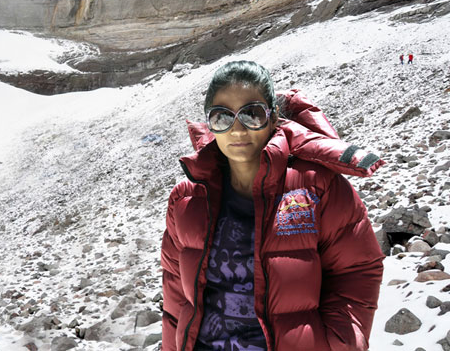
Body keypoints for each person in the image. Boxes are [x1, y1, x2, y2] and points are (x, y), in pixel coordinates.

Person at [161, 60, 384, 351]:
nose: (237, 130)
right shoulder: (186, 199)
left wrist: (337, 344)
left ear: (273, 116)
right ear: (210, 123)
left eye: (252, 114)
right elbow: (176, 294)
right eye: (222, 117)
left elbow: (356, 270)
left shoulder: (317, 186)